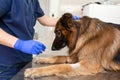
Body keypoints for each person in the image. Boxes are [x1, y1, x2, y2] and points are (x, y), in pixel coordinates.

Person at [0, 0, 80, 80]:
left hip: (25, 59)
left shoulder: (33, 2)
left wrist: (64, 21)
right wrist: (19, 44)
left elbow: (45, 20)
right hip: (6, 63)